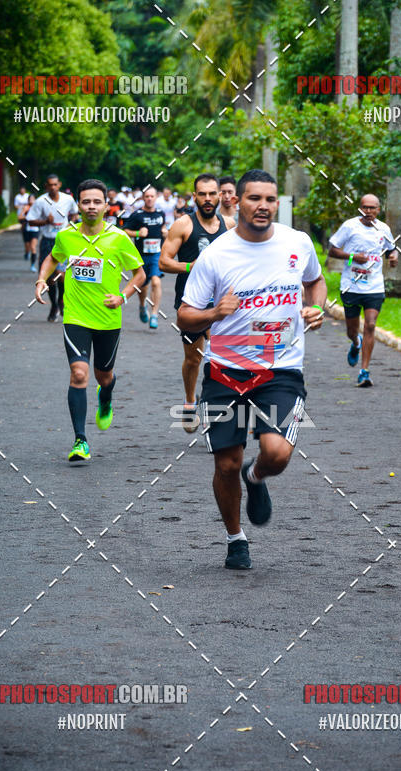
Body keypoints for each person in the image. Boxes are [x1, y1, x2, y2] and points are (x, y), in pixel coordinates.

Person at [177, 169, 326, 570]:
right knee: (225, 463)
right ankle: (235, 538)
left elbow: (316, 281)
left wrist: (316, 307)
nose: (263, 206)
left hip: (282, 367)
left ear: (278, 203)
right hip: (227, 370)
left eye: (270, 200)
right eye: (254, 199)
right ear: (236, 201)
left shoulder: (298, 242)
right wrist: (212, 312)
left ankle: (256, 477)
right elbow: (184, 317)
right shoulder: (216, 255)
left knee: (276, 453)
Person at [34, 179, 146, 462]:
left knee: (103, 376)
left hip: (108, 318)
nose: (92, 206)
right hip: (76, 315)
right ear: (78, 205)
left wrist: (123, 297)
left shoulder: (118, 237)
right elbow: (52, 258)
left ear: (106, 205)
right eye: (86, 201)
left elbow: (140, 275)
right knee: (79, 374)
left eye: (97, 201)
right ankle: (80, 441)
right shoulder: (67, 236)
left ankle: (106, 393)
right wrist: (41, 280)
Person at [160, 173, 235, 431]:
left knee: (220, 357)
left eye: (212, 193)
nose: (207, 199)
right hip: (191, 304)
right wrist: (193, 266)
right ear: (194, 196)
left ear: (220, 196)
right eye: (201, 194)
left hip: (222, 305)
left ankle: (216, 407)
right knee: (194, 359)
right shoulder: (183, 225)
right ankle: (191, 400)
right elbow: (164, 262)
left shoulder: (230, 225)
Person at [328, 194, 398, 387]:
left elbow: (392, 249)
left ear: (378, 210)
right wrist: (352, 257)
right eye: (365, 207)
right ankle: (356, 342)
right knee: (352, 330)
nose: (368, 211)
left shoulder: (383, 229)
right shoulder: (350, 226)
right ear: (360, 208)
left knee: (370, 325)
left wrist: (393, 257)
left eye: (372, 208)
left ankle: (364, 372)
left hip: (374, 286)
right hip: (351, 286)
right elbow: (333, 250)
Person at [26, 174, 79, 322]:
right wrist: (45, 222)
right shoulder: (41, 201)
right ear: (46, 186)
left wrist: (70, 224)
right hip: (47, 241)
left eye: (55, 184)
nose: (53, 187)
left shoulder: (67, 199)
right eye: (50, 185)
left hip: (63, 241)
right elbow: (30, 221)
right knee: (49, 278)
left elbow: (75, 214)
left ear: (59, 184)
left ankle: (61, 301)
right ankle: (54, 305)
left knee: (61, 275)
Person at [123, 186, 166, 329]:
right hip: (141, 255)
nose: (149, 199)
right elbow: (125, 231)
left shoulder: (161, 214)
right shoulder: (137, 215)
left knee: (156, 281)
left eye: (152, 196)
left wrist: (165, 232)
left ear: (156, 197)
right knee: (142, 286)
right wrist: (137, 234)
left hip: (156, 254)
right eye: (147, 196)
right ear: (143, 198)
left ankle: (154, 315)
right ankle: (142, 306)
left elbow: (163, 228)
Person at [18, 194, 38, 272]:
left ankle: (32, 265)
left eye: (33, 199)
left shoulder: (37, 208)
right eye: (30, 199)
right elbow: (20, 217)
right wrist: (27, 217)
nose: (31, 201)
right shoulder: (26, 207)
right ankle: (26, 253)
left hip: (35, 229)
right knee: (27, 247)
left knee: (33, 247)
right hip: (27, 229)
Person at [14, 185, 30, 259]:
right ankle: (24, 230)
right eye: (21, 190)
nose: (22, 191)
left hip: (28, 214)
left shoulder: (27, 196)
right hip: (21, 213)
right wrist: (21, 207)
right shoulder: (17, 197)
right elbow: (15, 205)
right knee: (23, 223)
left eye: (23, 189)